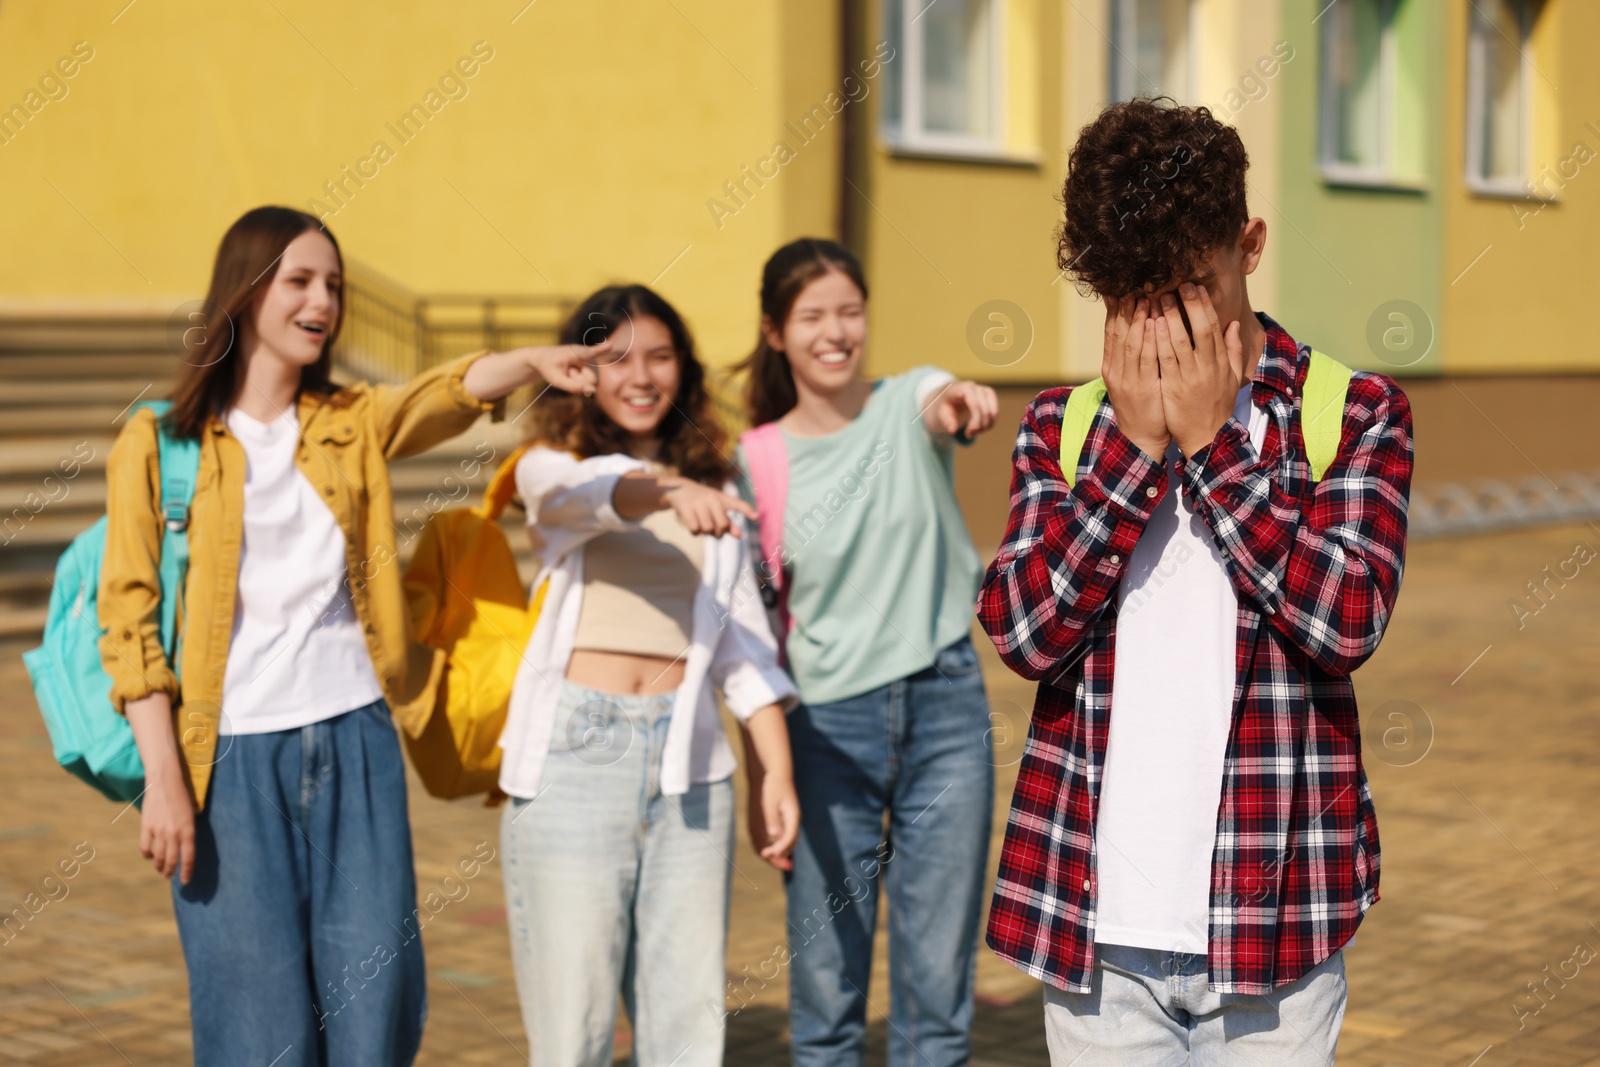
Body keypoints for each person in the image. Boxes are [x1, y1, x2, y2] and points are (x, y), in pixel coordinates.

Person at [99, 205, 599, 1066]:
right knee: (258, 1029)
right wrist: (165, 780)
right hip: (230, 763)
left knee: (375, 1012)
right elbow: (128, 618)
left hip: (356, 742)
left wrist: (531, 361)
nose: (322, 300)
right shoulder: (159, 442)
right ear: (245, 292)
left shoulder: (350, 421)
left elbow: (444, 394)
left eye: (333, 285)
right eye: (299, 280)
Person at [978, 99, 1413, 1064]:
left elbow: (1346, 621)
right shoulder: (1063, 424)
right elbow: (1021, 632)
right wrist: (1132, 455)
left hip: (1275, 932)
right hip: (1096, 935)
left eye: (1186, 289)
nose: (1159, 328)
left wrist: (1217, 446)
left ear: (1249, 247)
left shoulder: (1353, 411)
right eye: (1131, 298)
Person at [497, 284, 801, 1067]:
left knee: (688, 1026)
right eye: (616, 357)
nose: (641, 375)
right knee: (575, 1029)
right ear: (580, 371)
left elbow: (745, 651)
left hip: (692, 767)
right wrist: (668, 489)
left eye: (659, 356)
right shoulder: (549, 468)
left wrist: (776, 772)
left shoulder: (719, 487)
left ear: (684, 370)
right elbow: (598, 496)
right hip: (575, 752)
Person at [734, 238, 1001, 1067]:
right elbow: (746, 629)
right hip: (823, 726)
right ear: (776, 331)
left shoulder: (905, 400)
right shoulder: (756, 458)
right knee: (825, 985)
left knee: (938, 985)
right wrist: (762, 772)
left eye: (850, 310)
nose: (836, 330)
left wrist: (965, 396)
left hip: (947, 709)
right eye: (812, 315)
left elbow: (943, 398)